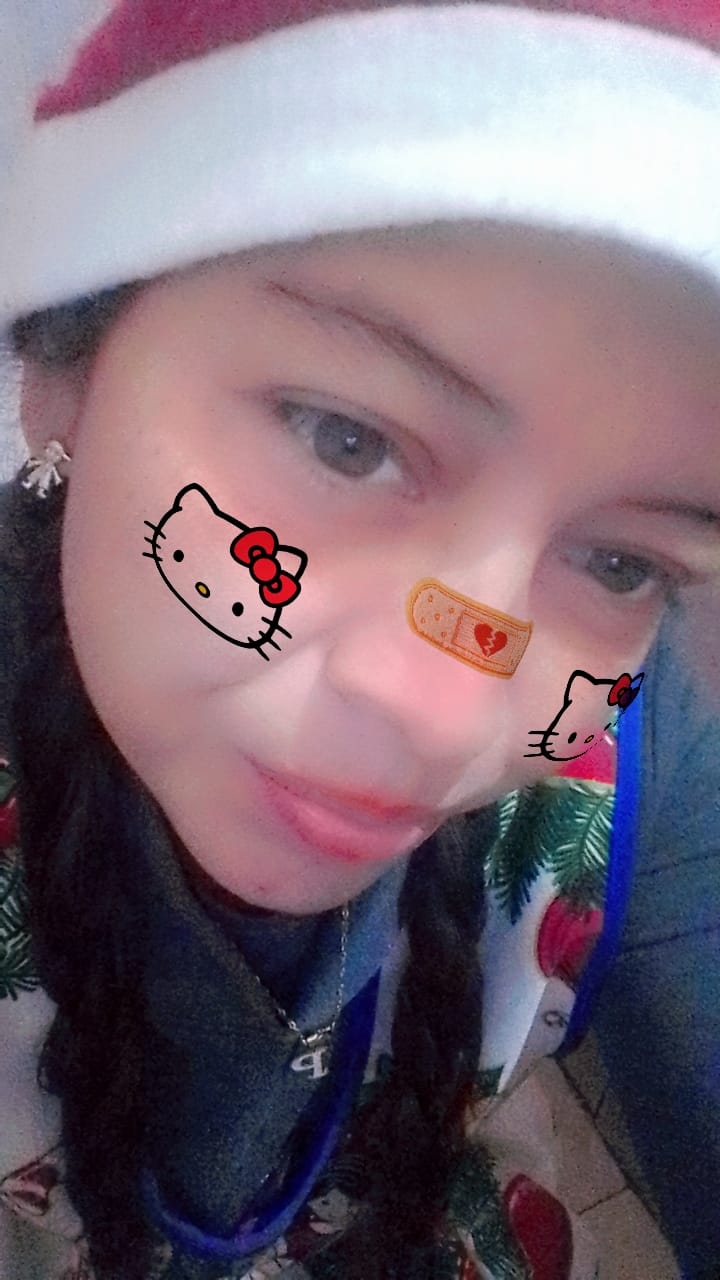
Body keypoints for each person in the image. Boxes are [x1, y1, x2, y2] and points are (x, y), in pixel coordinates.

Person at [0, 2, 718, 1277]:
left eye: (623, 565)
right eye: (346, 439)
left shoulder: (625, 783)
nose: (449, 716)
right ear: (66, 359)